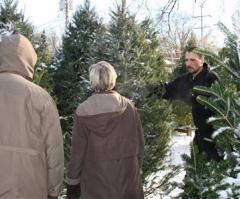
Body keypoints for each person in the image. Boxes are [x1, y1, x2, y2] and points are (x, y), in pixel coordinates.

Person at [66, 61, 145, 199]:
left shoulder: (83, 111)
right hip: (128, 179)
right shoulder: (129, 107)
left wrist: (73, 182)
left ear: (92, 81)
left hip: (95, 182)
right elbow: (139, 143)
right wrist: (136, 168)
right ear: (113, 79)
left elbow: (78, 151)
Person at [0, 34, 64, 199]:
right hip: (30, 188)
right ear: (29, 59)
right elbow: (54, 150)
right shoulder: (41, 98)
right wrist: (54, 191)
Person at [161, 47, 220, 160]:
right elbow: (168, 90)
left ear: (202, 60)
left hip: (215, 135)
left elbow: (219, 105)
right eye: (186, 60)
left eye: (193, 60)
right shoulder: (185, 79)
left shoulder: (211, 78)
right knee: (196, 169)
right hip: (199, 134)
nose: (188, 63)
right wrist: (151, 89)